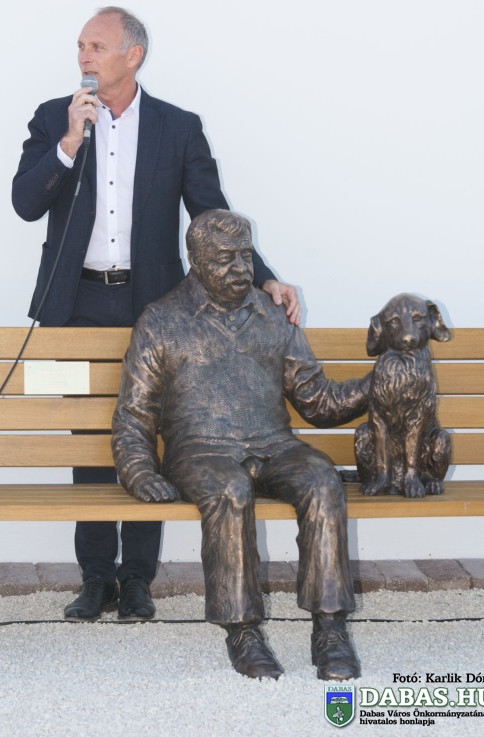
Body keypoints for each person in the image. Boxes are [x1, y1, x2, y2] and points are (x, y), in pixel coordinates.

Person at [12, 7, 301, 623]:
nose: (84, 56)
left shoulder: (178, 127)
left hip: (157, 309)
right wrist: (69, 142)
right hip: (76, 303)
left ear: (133, 55)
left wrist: (266, 278)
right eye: (80, 46)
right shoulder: (55, 118)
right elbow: (25, 203)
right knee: (91, 440)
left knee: (150, 435)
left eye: (97, 46)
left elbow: (211, 215)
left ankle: (137, 579)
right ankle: (96, 578)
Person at [112, 210, 370, 680]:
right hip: (200, 452)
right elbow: (135, 412)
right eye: (224, 258)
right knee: (230, 489)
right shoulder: (161, 321)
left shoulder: (273, 315)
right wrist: (139, 470)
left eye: (245, 256)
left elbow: (316, 400)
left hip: (275, 446)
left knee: (321, 479)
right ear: (196, 261)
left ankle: (330, 629)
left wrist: (376, 385)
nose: (239, 269)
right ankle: (243, 631)